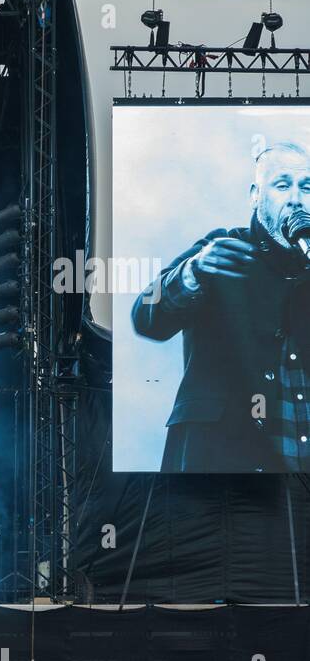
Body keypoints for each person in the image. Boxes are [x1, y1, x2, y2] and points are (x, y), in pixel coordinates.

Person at [132, 141, 310, 472]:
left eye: (307, 186)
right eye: (283, 185)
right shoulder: (222, 248)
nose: (297, 198)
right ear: (256, 195)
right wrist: (193, 272)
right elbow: (146, 316)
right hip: (225, 477)